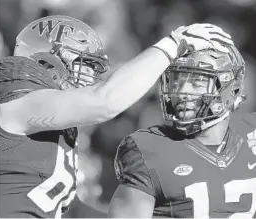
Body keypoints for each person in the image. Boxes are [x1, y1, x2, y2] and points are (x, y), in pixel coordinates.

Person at [0, 14, 233, 218]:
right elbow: (105, 101)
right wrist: (173, 45)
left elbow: (65, 208)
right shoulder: (16, 99)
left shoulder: (49, 125)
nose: (89, 77)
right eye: (83, 65)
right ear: (48, 61)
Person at [108, 38, 256, 218]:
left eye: (197, 82)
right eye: (176, 82)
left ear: (229, 89)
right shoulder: (151, 149)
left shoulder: (250, 132)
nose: (182, 93)